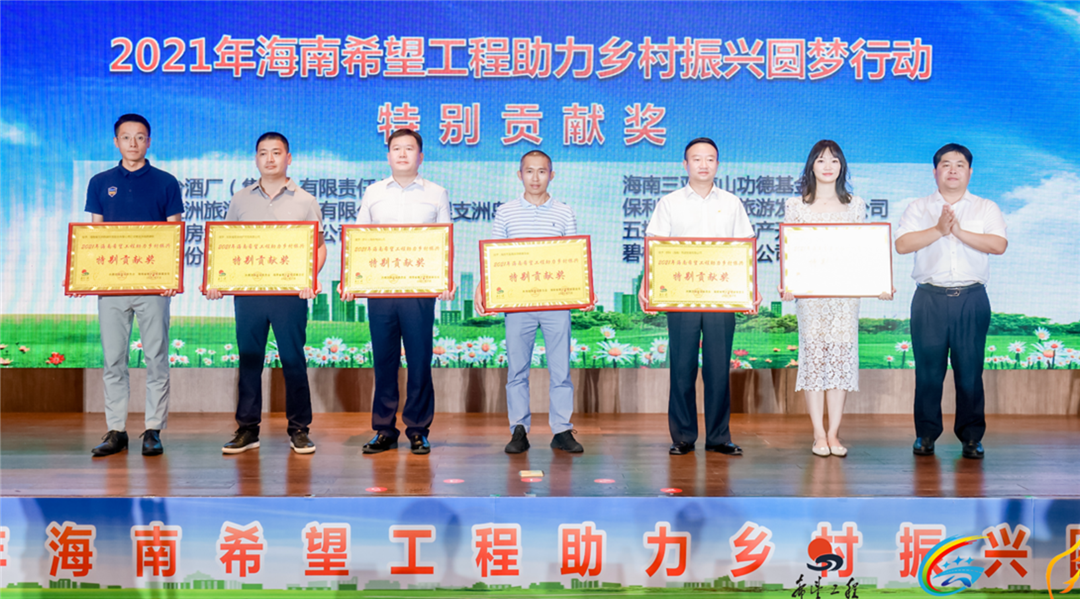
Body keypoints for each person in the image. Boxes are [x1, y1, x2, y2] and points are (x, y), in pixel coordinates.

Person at [638, 137, 762, 456]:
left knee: (718, 369)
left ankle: (719, 437)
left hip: (722, 295)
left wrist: (752, 289)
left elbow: (746, 248)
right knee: (682, 367)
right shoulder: (669, 203)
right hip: (681, 295)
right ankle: (683, 436)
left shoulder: (732, 203)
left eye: (710, 159)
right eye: (696, 159)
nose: (703, 164)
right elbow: (654, 246)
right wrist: (646, 285)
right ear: (685, 164)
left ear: (718, 164)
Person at [207, 132, 326, 455]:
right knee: (249, 358)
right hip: (249, 295)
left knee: (293, 359)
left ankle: (299, 429)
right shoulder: (240, 199)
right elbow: (226, 245)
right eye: (263, 153)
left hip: (290, 295)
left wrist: (310, 278)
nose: (270, 159)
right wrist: (217, 279)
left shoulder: (305, 200)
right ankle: (247, 429)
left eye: (276, 152)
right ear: (256, 159)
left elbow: (319, 247)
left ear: (289, 158)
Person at [474, 150, 594, 454]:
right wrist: (482, 286)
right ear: (520, 175)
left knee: (560, 370)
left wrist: (585, 290)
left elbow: (573, 257)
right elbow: (494, 255)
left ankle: (562, 430)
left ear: (551, 175)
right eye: (529, 171)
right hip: (518, 304)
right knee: (517, 370)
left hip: (556, 304)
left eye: (542, 171)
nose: (535, 177)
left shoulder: (564, 212)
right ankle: (518, 430)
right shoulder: (506, 212)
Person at [343, 129, 454, 456]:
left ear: (421, 156)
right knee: (384, 360)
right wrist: (349, 279)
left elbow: (444, 240)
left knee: (419, 361)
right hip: (381, 290)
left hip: (419, 291)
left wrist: (446, 279)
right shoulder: (374, 192)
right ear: (388, 155)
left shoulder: (437, 193)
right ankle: (384, 429)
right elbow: (359, 238)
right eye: (396, 148)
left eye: (409, 148)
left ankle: (418, 430)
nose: (402, 154)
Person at [779, 140, 893, 458]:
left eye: (834, 160)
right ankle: (818, 434)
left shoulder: (855, 205)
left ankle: (834, 433)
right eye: (820, 160)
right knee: (815, 359)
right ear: (811, 167)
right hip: (811, 298)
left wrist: (878, 283)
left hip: (844, 297)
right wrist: (788, 284)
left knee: (841, 361)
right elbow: (790, 250)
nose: (827, 166)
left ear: (842, 166)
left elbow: (861, 250)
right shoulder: (796, 205)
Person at [79, 114, 183, 457]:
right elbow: (94, 235)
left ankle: (153, 429)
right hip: (112, 286)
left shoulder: (166, 182)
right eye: (126, 137)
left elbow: (174, 233)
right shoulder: (100, 182)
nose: (133, 143)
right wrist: (87, 276)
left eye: (140, 137)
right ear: (116, 142)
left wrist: (171, 277)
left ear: (149, 141)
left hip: (154, 286)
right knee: (114, 359)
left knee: (156, 357)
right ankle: (116, 431)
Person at [895, 143, 1007, 460]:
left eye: (960, 164)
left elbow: (998, 245)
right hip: (929, 298)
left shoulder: (985, 207)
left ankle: (971, 437)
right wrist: (938, 229)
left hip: (971, 298)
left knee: (969, 372)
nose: (953, 170)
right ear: (935, 172)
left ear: (970, 172)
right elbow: (902, 244)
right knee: (928, 373)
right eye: (946, 164)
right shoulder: (919, 207)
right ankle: (926, 434)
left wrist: (956, 230)